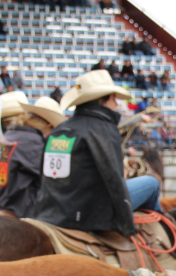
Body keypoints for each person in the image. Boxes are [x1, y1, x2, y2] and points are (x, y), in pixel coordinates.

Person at [34, 70, 160, 236]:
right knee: (151, 183)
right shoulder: (103, 129)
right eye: (114, 98)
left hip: (52, 211)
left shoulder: (60, 129)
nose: (116, 104)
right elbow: (114, 178)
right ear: (106, 98)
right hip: (87, 212)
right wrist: (127, 225)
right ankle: (158, 237)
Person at [0, 94, 65, 218]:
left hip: (3, 205)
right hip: (24, 212)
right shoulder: (33, 142)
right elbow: (49, 180)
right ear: (50, 125)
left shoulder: (10, 137)